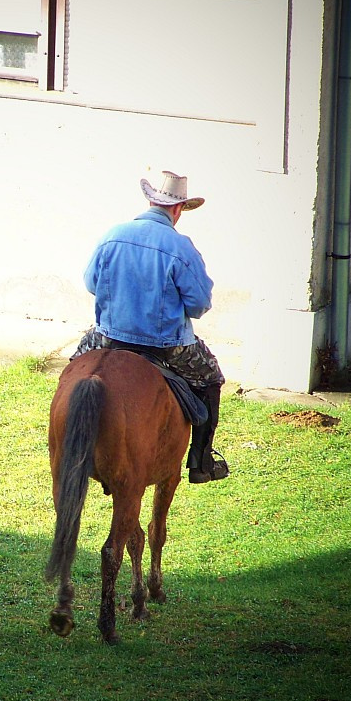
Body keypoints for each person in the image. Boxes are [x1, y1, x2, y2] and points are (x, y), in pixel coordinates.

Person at [73, 168, 229, 483]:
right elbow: (200, 305)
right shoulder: (181, 247)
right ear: (177, 209)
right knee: (211, 377)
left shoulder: (112, 235)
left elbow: (91, 284)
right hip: (167, 347)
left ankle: (69, 435)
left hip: (109, 338)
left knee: (76, 367)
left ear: (151, 201)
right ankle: (201, 462)